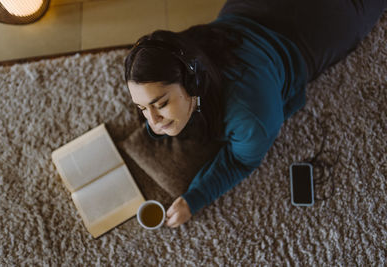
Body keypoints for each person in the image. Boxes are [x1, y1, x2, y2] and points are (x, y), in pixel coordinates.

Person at [124, 0, 387, 228]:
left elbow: (241, 161)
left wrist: (196, 198)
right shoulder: (177, 52)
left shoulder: (251, 116)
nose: (152, 122)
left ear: (191, 82)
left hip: (321, 23)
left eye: (160, 104)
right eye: (143, 108)